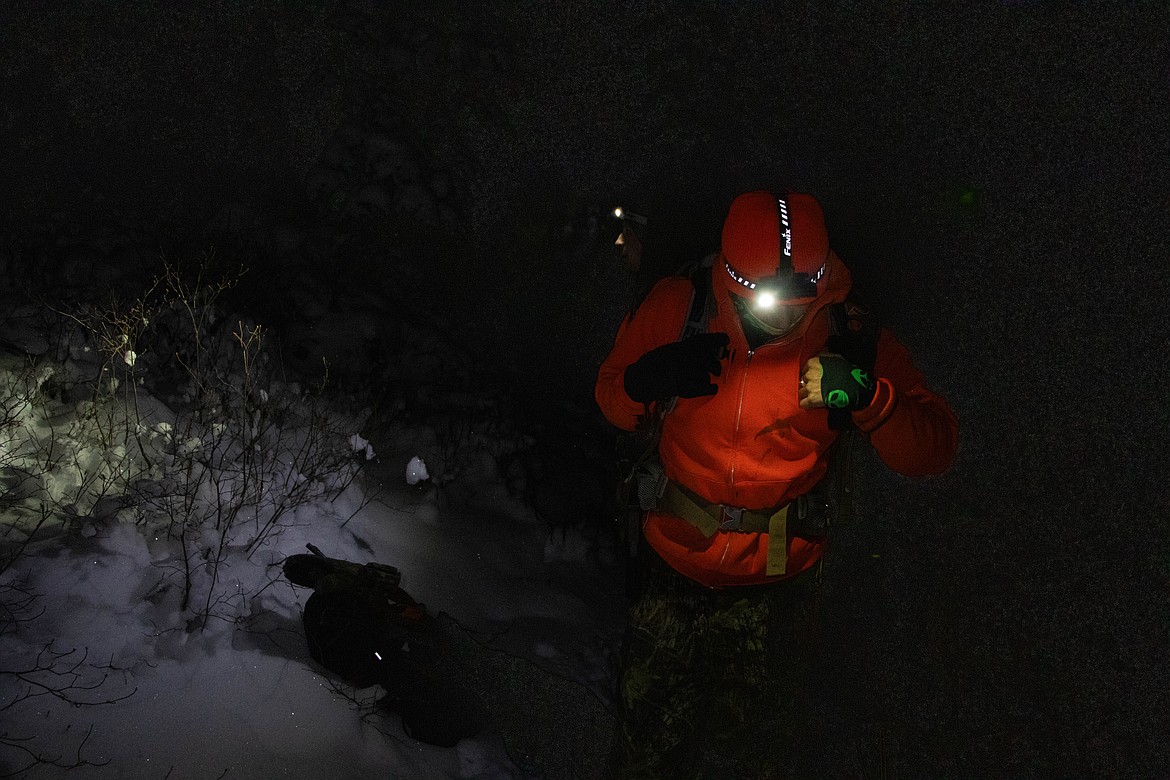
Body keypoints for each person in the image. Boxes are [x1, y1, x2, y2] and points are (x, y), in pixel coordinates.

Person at [595, 190, 958, 777]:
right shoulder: (678, 305)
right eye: (766, 299)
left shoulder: (850, 332)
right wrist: (646, 379)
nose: (787, 315)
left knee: (755, 746)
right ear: (731, 280)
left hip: (777, 581)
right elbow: (609, 397)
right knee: (645, 731)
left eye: (802, 296)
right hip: (671, 564)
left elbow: (934, 448)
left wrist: (871, 399)